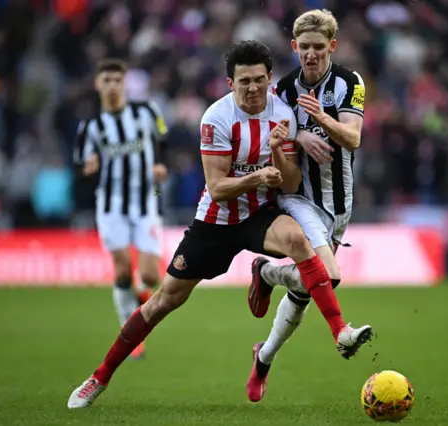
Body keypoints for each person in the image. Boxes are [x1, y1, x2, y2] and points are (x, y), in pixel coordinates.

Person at [67, 41, 372, 409]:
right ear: (230, 83)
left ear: (270, 78)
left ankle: (339, 330)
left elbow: (289, 184)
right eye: (244, 81)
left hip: (258, 214)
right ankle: (99, 376)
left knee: (297, 239)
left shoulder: (282, 113)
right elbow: (217, 188)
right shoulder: (216, 118)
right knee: (162, 302)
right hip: (215, 221)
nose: (253, 88)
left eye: (260, 80)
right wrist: (258, 176)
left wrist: (277, 151)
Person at [246, 9, 369, 402]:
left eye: (319, 47)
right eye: (304, 47)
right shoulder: (282, 90)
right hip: (298, 198)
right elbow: (274, 138)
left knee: (304, 293)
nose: (311, 54)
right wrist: (298, 141)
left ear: (332, 46)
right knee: (327, 278)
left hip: (338, 206)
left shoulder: (350, 83)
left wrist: (321, 121)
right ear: (294, 46)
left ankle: (263, 354)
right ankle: (341, 332)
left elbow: (352, 139)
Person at [73, 58, 169, 360]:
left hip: (145, 202)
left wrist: (159, 163)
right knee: (122, 268)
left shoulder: (146, 111)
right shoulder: (90, 126)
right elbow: (80, 161)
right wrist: (87, 167)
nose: (112, 85)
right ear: (98, 85)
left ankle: (142, 293)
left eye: (117, 79)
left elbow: (162, 137)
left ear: (124, 82)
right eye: (107, 80)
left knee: (152, 276)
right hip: (111, 205)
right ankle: (131, 333)